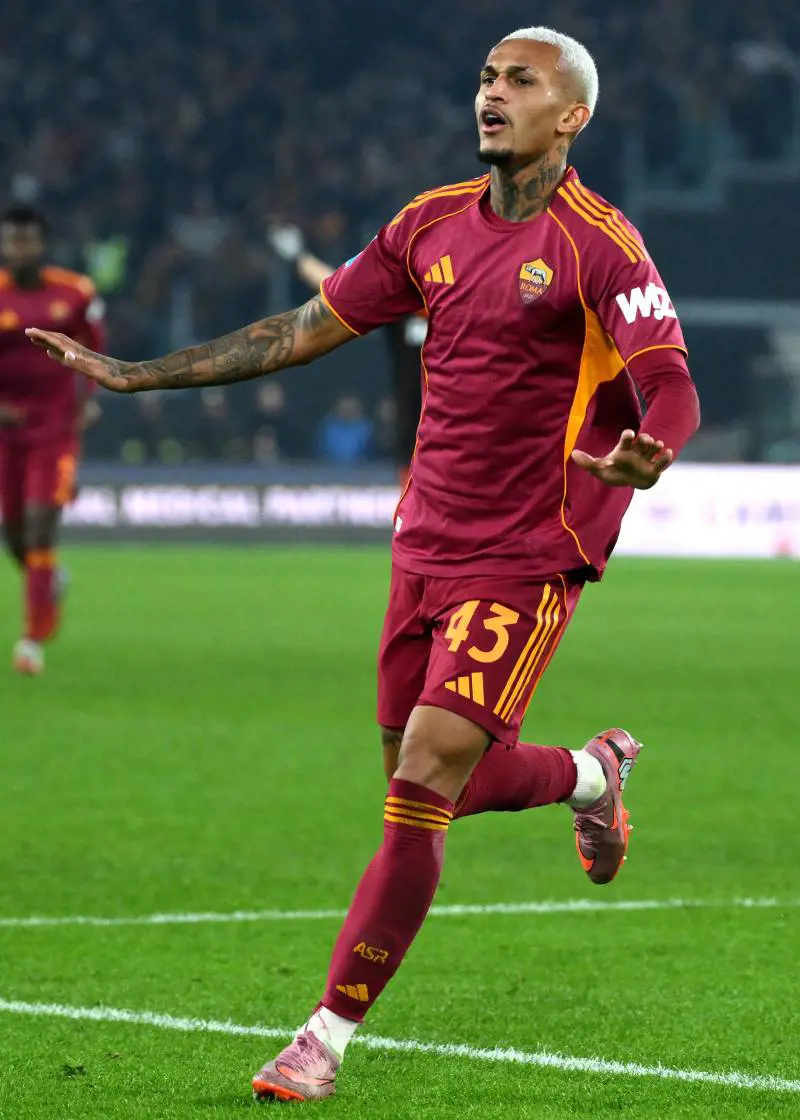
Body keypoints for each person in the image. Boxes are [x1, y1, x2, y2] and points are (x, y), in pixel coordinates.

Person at [27, 26, 700, 1103]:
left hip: (526, 551)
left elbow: (671, 378)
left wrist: (651, 447)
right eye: (485, 77)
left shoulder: (601, 244)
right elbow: (300, 328)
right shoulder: (426, 225)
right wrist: (140, 375)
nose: (491, 93)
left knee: (423, 779)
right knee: (427, 782)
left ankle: (323, 1035)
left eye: (519, 80)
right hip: (421, 540)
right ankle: (588, 775)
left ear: (571, 114)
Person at [0, 205, 105, 675]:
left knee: (41, 524)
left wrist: (90, 398)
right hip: (6, 432)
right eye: (12, 239)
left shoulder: (75, 292)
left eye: (27, 239)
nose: (19, 248)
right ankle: (49, 580)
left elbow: (95, 347)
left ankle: (32, 639)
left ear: (41, 244)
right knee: (14, 535)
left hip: (56, 429)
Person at [268, 224, 425, 482]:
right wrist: (299, 257)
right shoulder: (402, 302)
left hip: (464, 436)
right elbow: (339, 289)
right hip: (415, 444)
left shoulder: (461, 302)